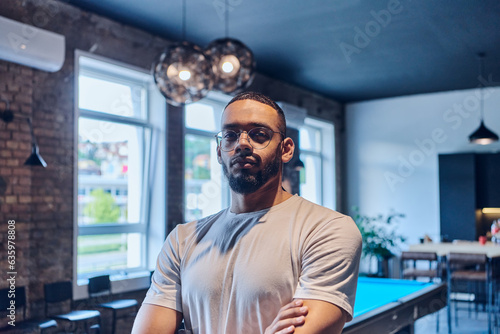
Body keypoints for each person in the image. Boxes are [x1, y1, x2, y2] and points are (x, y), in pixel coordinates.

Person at [132, 92, 362, 334]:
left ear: (285, 149)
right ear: (220, 151)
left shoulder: (328, 229)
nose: (242, 144)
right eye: (230, 135)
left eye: (259, 134)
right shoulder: (182, 240)